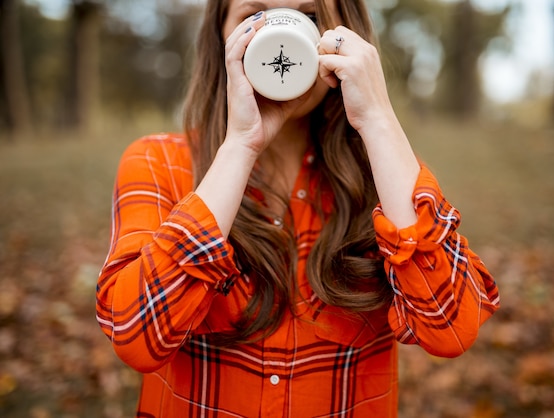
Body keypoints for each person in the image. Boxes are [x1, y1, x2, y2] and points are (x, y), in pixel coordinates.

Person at [95, 0, 500, 416]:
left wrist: (378, 119)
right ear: (221, 37)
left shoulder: (386, 174)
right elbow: (135, 337)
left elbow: (451, 330)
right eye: (254, 18)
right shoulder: (158, 162)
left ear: (347, 37)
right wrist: (240, 145)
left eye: (308, 17)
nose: (277, 37)